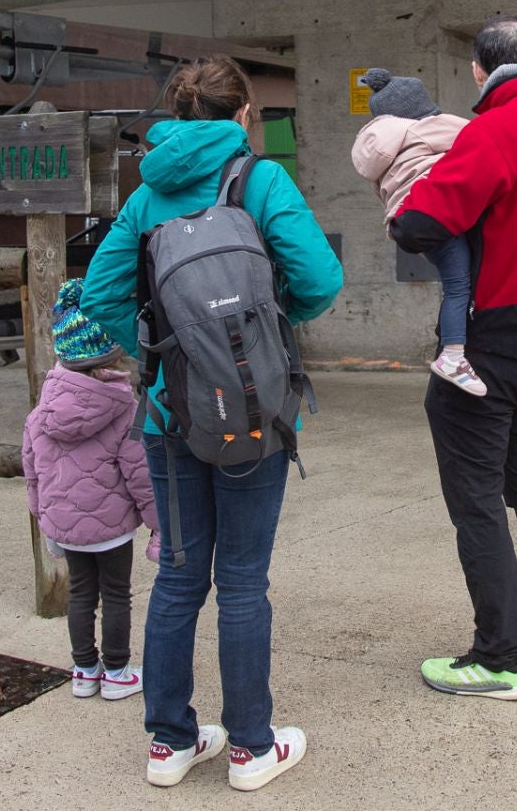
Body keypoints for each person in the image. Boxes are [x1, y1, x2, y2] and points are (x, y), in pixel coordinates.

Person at [82, 56, 344, 792]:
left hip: (171, 412)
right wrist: (258, 336)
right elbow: (321, 281)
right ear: (241, 116)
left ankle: (169, 744)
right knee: (242, 581)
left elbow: (98, 296)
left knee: (176, 574)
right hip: (254, 410)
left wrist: (161, 355)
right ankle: (252, 749)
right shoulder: (259, 180)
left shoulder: (148, 193)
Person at [389, 16, 517, 702]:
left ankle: (500, 657)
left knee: (476, 500)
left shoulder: (496, 130)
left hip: (488, 340)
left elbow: (420, 224)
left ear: (480, 70)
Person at [20, 278, 158, 704]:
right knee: (116, 593)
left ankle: (83, 670)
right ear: (109, 355)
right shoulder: (122, 409)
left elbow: (32, 468)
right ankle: (116, 671)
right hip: (111, 526)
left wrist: (44, 519)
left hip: (63, 525)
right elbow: (140, 474)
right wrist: (159, 527)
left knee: (82, 593)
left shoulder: (41, 409)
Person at [350, 67, 480, 394]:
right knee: (458, 286)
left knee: (456, 279)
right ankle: (453, 354)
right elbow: (478, 136)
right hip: (434, 212)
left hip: (405, 223)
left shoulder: (378, 146)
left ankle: (463, 326)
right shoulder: (425, 128)